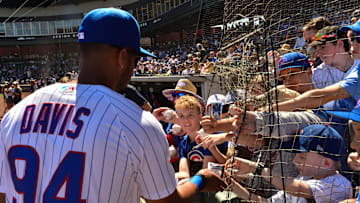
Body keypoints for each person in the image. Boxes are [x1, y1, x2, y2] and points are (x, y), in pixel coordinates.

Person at [0, 8, 225, 203]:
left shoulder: (16, 113)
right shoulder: (136, 122)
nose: (133, 69)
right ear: (122, 57)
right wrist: (200, 180)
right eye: (135, 61)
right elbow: (167, 201)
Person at [227, 124, 352, 202]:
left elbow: (297, 189)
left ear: (326, 163)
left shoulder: (339, 184)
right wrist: (230, 184)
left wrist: (255, 168)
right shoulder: (303, 178)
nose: (294, 160)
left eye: (302, 157)